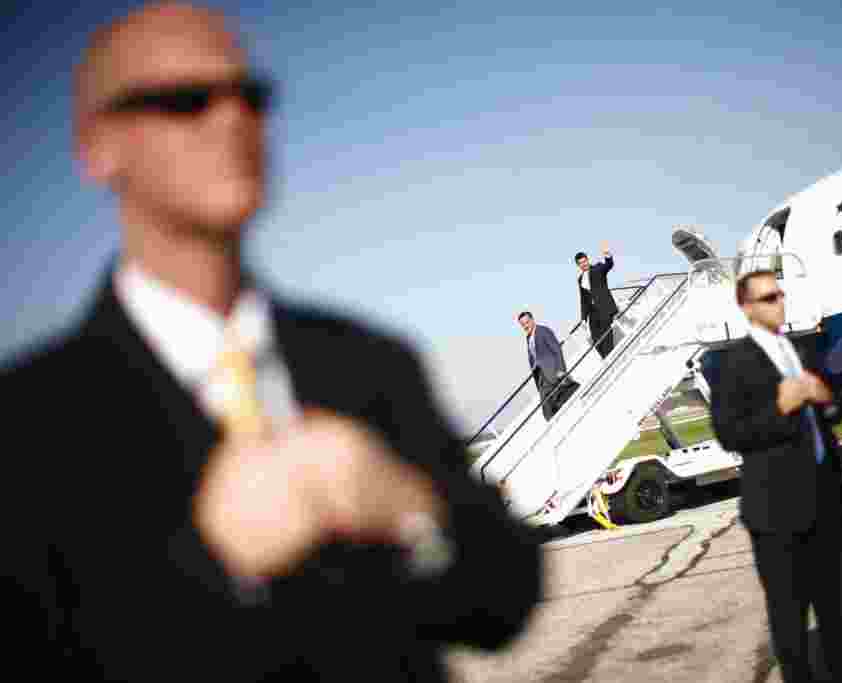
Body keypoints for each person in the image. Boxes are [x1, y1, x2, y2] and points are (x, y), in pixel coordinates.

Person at [1, 3, 541, 681]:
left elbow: (507, 600)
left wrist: (413, 510)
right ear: (97, 145)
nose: (233, 119)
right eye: (187, 99)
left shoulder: (370, 361)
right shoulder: (25, 427)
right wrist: (211, 566)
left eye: (250, 96)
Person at [709, 269, 842, 683]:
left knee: (838, 616)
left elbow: (831, 410)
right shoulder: (732, 362)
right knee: (790, 623)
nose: (779, 303)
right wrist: (779, 408)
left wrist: (826, 399)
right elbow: (729, 433)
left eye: (779, 295)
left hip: (829, 505)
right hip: (777, 515)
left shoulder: (799, 351)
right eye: (768, 298)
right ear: (746, 307)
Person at [518, 311, 578, 420]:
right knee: (547, 405)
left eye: (527, 322)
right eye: (523, 325)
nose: (525, 326)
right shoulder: (528, 338)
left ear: (532, 320)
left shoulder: (543, 331)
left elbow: (557, 349)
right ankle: (554, 423)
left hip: (552, 372)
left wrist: (561, 369)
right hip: (541, 376)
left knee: (551, 404)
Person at [575, 242, 620, 359]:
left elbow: (608, 265)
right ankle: (605, 357)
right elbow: (583, 300)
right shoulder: (580, 279)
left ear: (587, 260)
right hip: (593, 313)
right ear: (578, 265)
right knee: (596, 339)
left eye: (584, 261)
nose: (583, 264)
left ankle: (610, 358)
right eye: (580, 263)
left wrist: (608, 256)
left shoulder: (598, 268)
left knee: (606, 335)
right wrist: (583, 318)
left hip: (604, 308)